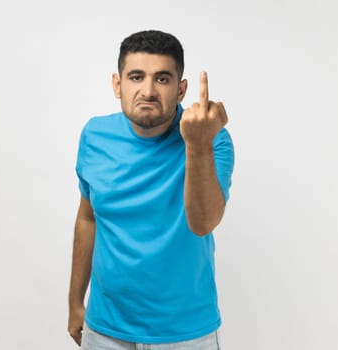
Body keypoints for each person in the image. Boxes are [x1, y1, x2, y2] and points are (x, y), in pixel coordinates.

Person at [68, 29, 235, 349]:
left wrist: (197, 146)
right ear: (117, 85)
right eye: (135, 77)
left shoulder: (211, 137)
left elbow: (203, 222)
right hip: (105, 330)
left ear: (181, 88)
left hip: (185, 333)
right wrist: (75, 301)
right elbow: (88, 219)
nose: (147, 90)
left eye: (162, 79)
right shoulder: (94, 135)